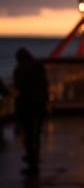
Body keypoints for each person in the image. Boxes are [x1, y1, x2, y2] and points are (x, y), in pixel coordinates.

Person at [13, 47, 49, 176]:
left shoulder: (19, 70)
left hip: (26, 105)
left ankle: (32, 163)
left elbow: (18, 86)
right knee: (37, 134)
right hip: (39, 105)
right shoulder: (39, 67)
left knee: (28, 135)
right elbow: (45, 85)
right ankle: (35, 157)